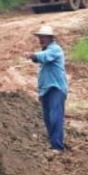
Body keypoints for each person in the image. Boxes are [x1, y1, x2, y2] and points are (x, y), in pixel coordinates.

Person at [28, 23, 68, 152]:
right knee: (48, 119)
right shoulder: (46, 51)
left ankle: (57, 146)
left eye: (44, 37)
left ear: (51, 38)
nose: (41, 39)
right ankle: (53, 144)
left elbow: (42, 57)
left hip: (56, 89)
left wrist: (33, 55)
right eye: (40, 37)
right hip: (47, 90)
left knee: (55, 117)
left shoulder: (55, 49)